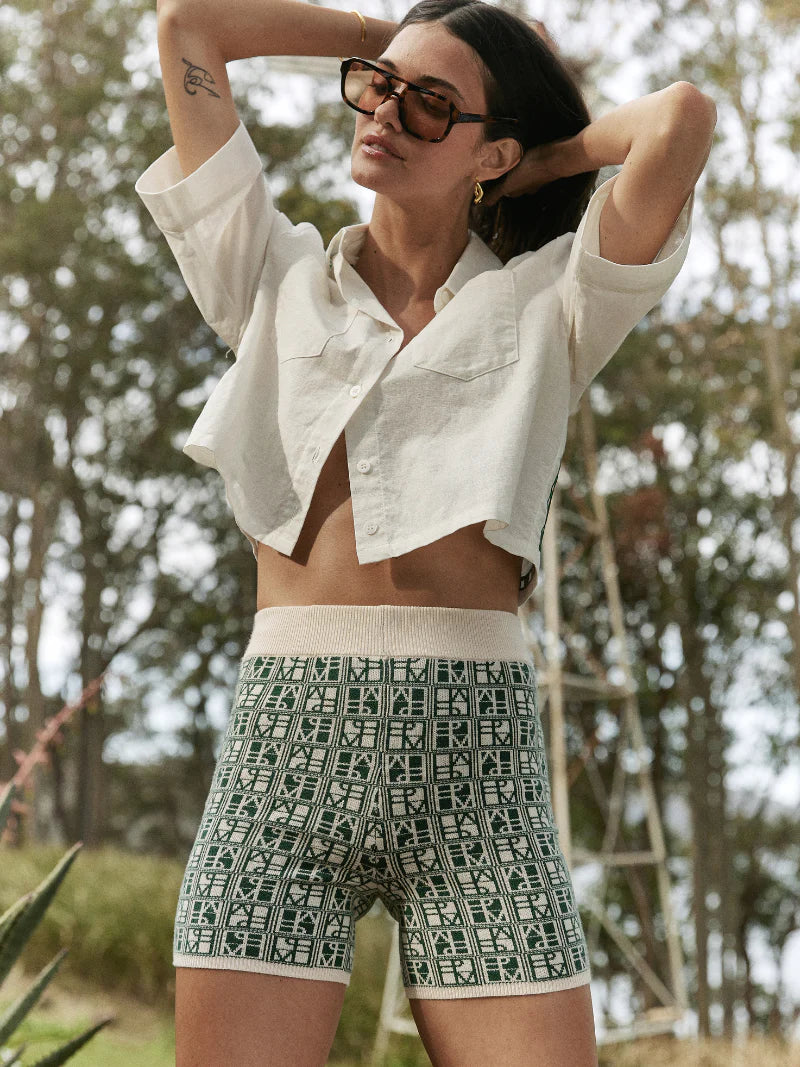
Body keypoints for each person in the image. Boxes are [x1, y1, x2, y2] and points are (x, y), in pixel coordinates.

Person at [136, 0, 716, 1062]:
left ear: (494, 151)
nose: (387, 113)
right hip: (282, 760)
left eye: (431, 104)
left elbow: (679, 117)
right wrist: (392, 34)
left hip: (478, 779)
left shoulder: (551, 301)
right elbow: (188, 25)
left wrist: (542, 161)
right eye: (379, 88)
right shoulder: (269, 272)